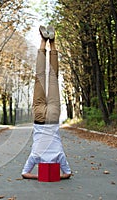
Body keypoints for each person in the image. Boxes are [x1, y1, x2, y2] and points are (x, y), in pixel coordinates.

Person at [21, 25, 72, 179]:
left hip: (53, 117)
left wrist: (56, 176)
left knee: (52, 77)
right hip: (39, 117)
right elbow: (25, 173)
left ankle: (52, 42)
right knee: (40, 77)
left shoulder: (59, 156)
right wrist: (38, 176)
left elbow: (68, 174)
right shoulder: (35, 156)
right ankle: (44, 41)